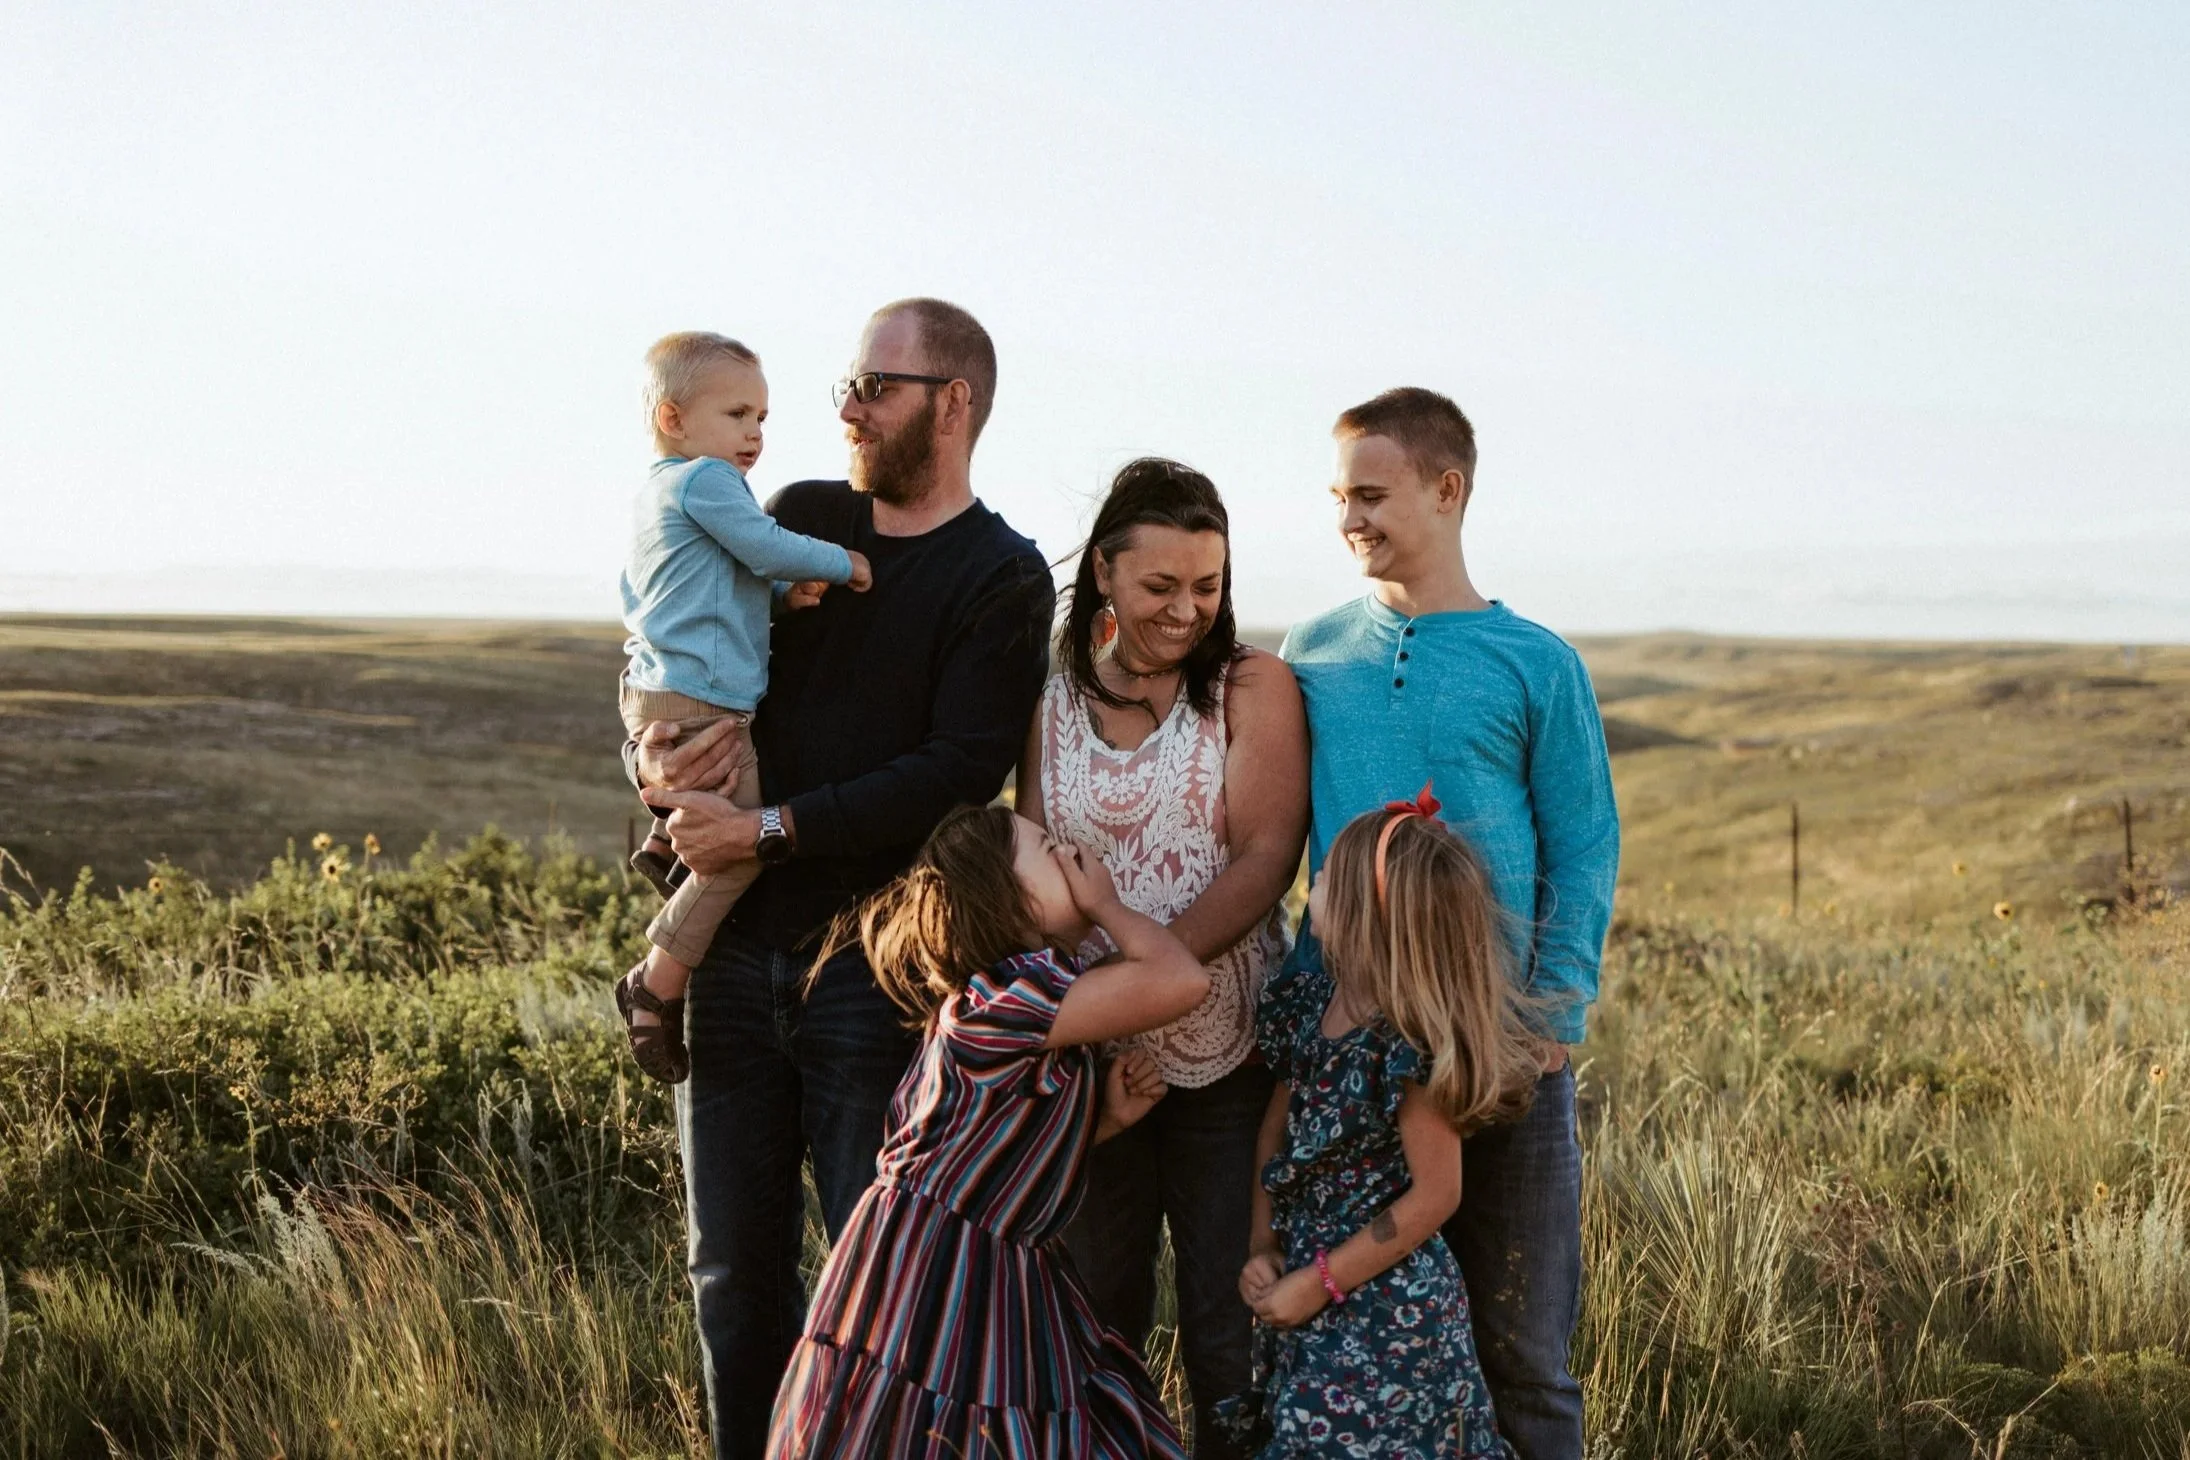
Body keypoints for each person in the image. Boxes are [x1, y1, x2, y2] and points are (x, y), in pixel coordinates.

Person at [630, 299, 1056, 1459]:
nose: (850, 410)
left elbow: (955, 772)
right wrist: (656, 762)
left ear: (953, 402)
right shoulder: (802, 516)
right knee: (731, 1276)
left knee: (878, 1287)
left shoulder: (1002, 574)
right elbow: (690, 637)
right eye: (849, 387)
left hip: (878, 969)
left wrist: (767, 828)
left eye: (876, 386)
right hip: (733, 960)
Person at [1280, 388, 1620, 1460]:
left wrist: (1550, 1015)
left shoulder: (1536, 661)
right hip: (1352, 1068)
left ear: (1447, 488)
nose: (1350, 519)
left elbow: (1585, 844)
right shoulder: (1312, 651)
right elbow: (1283, 834)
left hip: (1501, 1049)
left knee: (1523, 1357)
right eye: (1339, 497)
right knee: (1356, 1350)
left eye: (1372, 496)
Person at [1018, 457, 1307, 1457]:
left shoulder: (1249, 686)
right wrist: (1087, 1006)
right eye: (1160, 585)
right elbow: (1033, 866)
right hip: (1094, 1060)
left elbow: (1266, 856)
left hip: (1229, 1054)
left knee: (1229, 1320)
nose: (1188, 609)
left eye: (1208, 584)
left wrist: (1145, 979)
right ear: (1104, 570)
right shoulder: (1051, 701)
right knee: (1096, 1311)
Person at [767, 805, 1204, 1458]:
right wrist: (1108, 906)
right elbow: (1182, 980)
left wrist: (1102, 1118)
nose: (1070, 854)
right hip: (936, 1266)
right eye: (1048, 849)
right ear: (1008, 899)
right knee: (934, 1428)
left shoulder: (1024, 1004)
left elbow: (990, 1155)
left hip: (991, 1258)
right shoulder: (1005, 998)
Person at [1229, 793, 1540, 1458]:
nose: (1313, 887)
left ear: (1365, 915)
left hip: (1389, 1309)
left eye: (1326, 881)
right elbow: (1273, 1138)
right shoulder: (1310, 1009)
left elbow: (1437, 1194)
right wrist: (1263, 1245)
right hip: (1306, 1274)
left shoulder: (1405, 1046)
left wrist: (1319, 1283)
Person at [614, 331, 872, 1082]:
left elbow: (713, 593)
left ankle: (665, 843)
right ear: (672, 418)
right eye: (736, 415)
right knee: (738, 849)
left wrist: (784, 601)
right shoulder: (707, 481)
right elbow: (762, 544)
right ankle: (655, 984)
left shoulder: (658, 493)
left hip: (661, 690)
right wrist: (840, 563)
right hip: (702, 701)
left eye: (761, 418)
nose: (754, 434)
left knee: (715, 812)